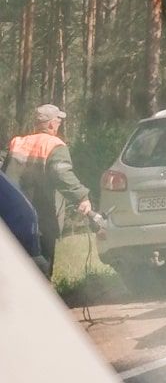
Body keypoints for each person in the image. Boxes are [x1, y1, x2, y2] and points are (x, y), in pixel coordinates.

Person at [2, 104, 92, 279]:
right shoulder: (54, 145)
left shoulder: (17, 142)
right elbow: (61, 173)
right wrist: (81, 197)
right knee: (40, 271)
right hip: (41, 221)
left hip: (11, 219)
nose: (59, 124)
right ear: (51, 124)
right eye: (58, 120)